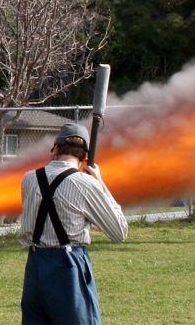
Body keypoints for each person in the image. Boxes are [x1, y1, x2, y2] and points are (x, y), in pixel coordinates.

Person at [19, 123, 128, 325]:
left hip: (35, 265)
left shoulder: (29, 179)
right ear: (85, 158)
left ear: (56, 148)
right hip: (68, 266)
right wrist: (100, 184)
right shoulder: (87, 183)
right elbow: (119, 231)